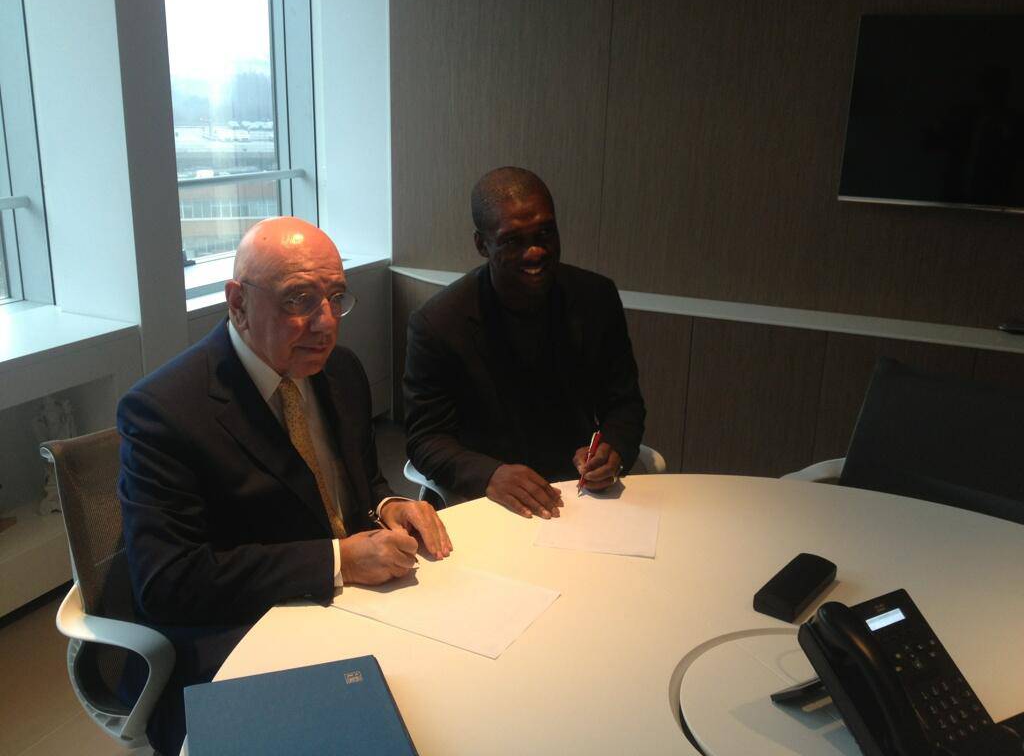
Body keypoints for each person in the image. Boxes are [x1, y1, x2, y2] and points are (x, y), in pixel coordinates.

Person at [118, 216, 451, 754]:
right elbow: (168, 583)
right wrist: (337, 560)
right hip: (238, 635)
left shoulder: (340, 371)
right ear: (238, 302)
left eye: (336, 298)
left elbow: (358, 483)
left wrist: (388, 505)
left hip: (353, 609)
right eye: (299, 299)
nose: (326, 324)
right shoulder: (164, 410)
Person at [404, 167, 645, 518]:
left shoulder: (596, 297)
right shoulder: (438, 323)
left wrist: (612, 449)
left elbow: (624, 403)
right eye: (512, 240)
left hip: (578, 492)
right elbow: (425, 439)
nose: (535, 251)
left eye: (545, 233)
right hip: (486, 500)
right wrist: (490, 474)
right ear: (482, 245)